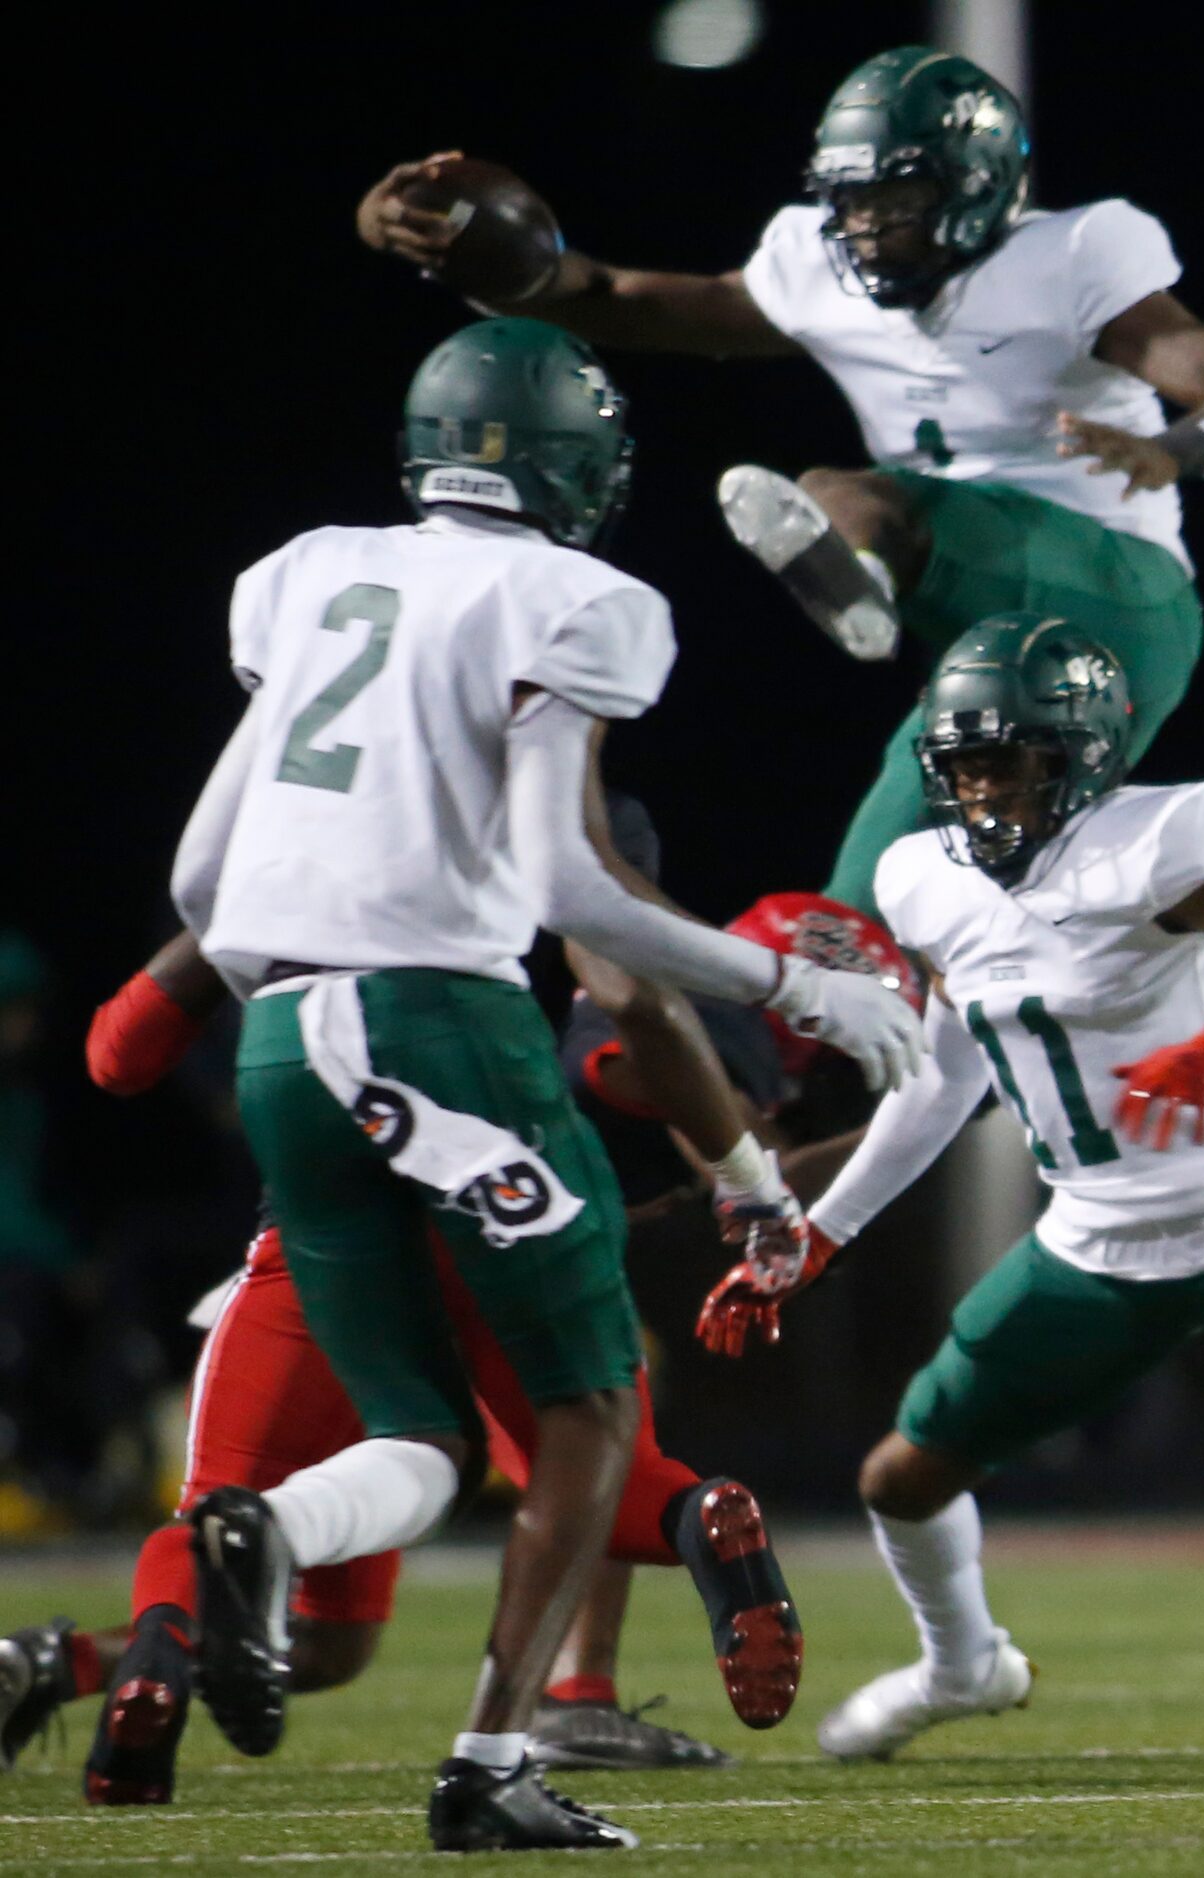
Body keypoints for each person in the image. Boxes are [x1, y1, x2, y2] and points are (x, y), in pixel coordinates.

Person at [161, 316, 920, 1851]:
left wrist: (306, 1016)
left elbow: (198, 872)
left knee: (420, 1434)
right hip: (440, 1018)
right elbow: (567, 882)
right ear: (575, 463)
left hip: (275, 1033)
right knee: (586, 1410)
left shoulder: (305, 568)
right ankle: (494, 1760)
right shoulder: (574, 595)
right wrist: (794, 981)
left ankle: (265, 1529)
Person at [696, 615, 1204, 1761]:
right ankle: (962, 1666)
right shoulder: (922, 877)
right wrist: (823, 1233)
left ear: (1079, 751)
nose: (981, 790)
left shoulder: (1160, 840)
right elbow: (944, 1074)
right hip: (1092, 1243)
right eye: (964, 764)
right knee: (901, 1476)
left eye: (1008, 760)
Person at [357, 46, 1204, 916]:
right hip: (987, 651)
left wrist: (1171, 451)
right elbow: (607, 298)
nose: (860, 227)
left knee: (850, 496)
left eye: (889, 203)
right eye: (847, 201)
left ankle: (859, 577)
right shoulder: (817, 264)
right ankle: (802, 1084)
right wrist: (441, 245)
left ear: (970, 187)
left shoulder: (1067, 255)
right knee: (856, 924)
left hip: (1114, 598)